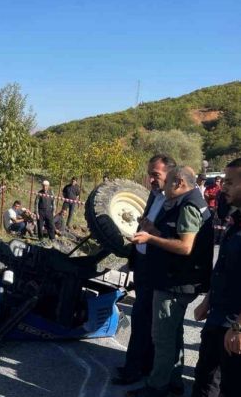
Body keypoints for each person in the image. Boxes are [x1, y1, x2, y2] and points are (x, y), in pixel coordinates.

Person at [127, 166, 214, 397]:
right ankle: (174, 380)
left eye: (166, 184)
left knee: (162, 337)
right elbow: (177, 236)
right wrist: (153, 229)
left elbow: (185, 246)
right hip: (177, 279)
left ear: (178, 183)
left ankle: (157, 386)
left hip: (175, 282)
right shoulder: (189, 200)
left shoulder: (188, 206)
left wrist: (150, 238)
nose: (163, 188)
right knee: (173, 333)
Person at [113, 154, 176, 387]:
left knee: (142, 319)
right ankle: (142, 365)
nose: (150, 179)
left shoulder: (174, 200)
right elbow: (144, 225)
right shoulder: (154, 194)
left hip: (155, 269)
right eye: (150, 174)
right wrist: (133, 257)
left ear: (170, 175)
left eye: (155, 175)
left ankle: (134, 369)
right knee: (144, 318)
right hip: (142, 265)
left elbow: (172, 238)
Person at [192, 158, 241, 397]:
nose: (223, 187)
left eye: (231, 183)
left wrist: (238, 327)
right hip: (217, 317)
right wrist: (207, 300)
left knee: (230, 386)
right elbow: (223, 268)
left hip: (234, 323)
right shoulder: (235, 222)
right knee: (204, 380)